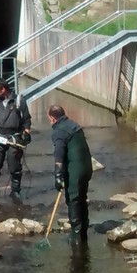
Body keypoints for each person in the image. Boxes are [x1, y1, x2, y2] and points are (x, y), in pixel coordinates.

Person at [47, 103, 93, 243]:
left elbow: (59, 156)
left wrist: (58, 175)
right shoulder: (73, 124)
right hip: (86, 167)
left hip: (76, 170)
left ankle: (76, 236)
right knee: (81, 198)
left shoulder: (59, 131)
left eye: (49, 119)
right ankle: (83, 232)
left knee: (73, 199)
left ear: (53, 118)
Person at [0, 78, 31, 207]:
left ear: (3, 89)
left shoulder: (19, 101)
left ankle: (15, 192)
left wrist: (26, 133)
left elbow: (26, 119)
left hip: (14, 139)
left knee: (15, 166)